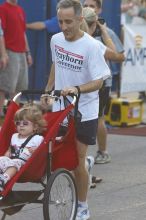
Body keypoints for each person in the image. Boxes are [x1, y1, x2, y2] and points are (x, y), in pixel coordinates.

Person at [43, 1, 111, 219]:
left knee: (78, 161)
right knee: (59, 155)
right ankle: (83, 167)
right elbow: (56, 63)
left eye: (68, 22)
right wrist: (48, 89)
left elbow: (99, 81)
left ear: (80, 20)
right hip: (60, 107)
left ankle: (82, 206)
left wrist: (77, 89)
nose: (64, 26)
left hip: (85, 109)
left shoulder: (91, 46)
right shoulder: (55, 40)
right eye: (60, 21)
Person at [83, 0, 125, 164]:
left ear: (99, 10)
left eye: (92, 6)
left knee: (98, 118)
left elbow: (120, 56)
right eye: (85, 5)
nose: (88, 8)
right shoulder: (76, 30)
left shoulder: (105, 32)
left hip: (101, 83)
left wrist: (103, 50)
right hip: (80, 83)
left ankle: (103, 151)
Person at [0, 104, 46, 191]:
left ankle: (3, 179)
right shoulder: (14, 136)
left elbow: (43, 152)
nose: (21, 125)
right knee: (1, 159)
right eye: (18, 123)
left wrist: (36, 150)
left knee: (16, 162)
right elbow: (10, 149)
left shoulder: (38, 138)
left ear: (35, 127)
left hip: (26, 166)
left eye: (25, 123)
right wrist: (5, 157)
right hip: (12, 160)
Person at [0, 0, 33, 117]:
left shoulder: (20, 10)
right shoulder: (3, 9)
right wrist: (3, 54)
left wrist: (27, 52)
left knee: (19, 87)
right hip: (10, 52)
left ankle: (14, 115)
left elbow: (23, 33)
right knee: (4, 87)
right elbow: (0, 33)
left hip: (21, 53)